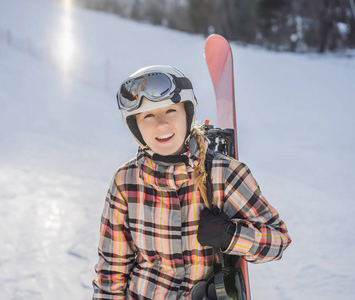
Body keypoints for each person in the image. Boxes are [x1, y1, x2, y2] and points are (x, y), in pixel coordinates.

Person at [93, 65, 291, 299]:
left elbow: (278, 240)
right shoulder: (126, 181)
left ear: (187, 113)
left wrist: (231, 236)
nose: (161, 124)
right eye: (148, 115)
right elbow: (112, 268)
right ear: (136, 127)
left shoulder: (223, 174)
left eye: (170, 111)